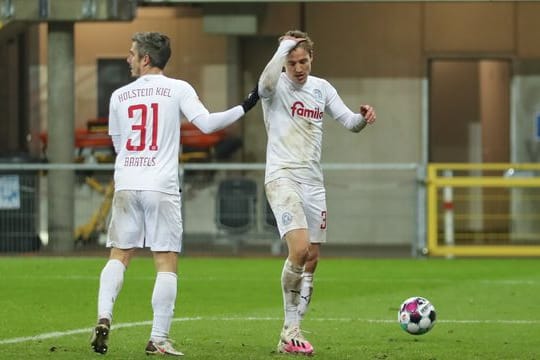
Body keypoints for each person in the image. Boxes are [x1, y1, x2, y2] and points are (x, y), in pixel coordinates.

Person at [90, 31, 259, 356]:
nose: (128, 58)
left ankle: (103, 315)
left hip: (126, 182)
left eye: (131, 53)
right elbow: (208, 124)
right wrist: (245, 105)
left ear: (146, 58)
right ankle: (158, 338)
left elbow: (117, 144)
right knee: (165, 260)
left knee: (119, 255)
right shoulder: (178, 89)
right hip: (161, 184)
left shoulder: (119, 96)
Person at [258, 30, 376, 355]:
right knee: (298, 249)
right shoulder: (275, 85)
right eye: (292, 62)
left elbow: (349, 122)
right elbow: (263, 85)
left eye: (303, 61)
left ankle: (291, 332)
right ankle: (290, 329)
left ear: (312, 58)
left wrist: (363, 118)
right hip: (282, 177)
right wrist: (282, 47)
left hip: (313, 182)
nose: (298, 68)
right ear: (283, 62)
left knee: (311, 258)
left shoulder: (321, 88)